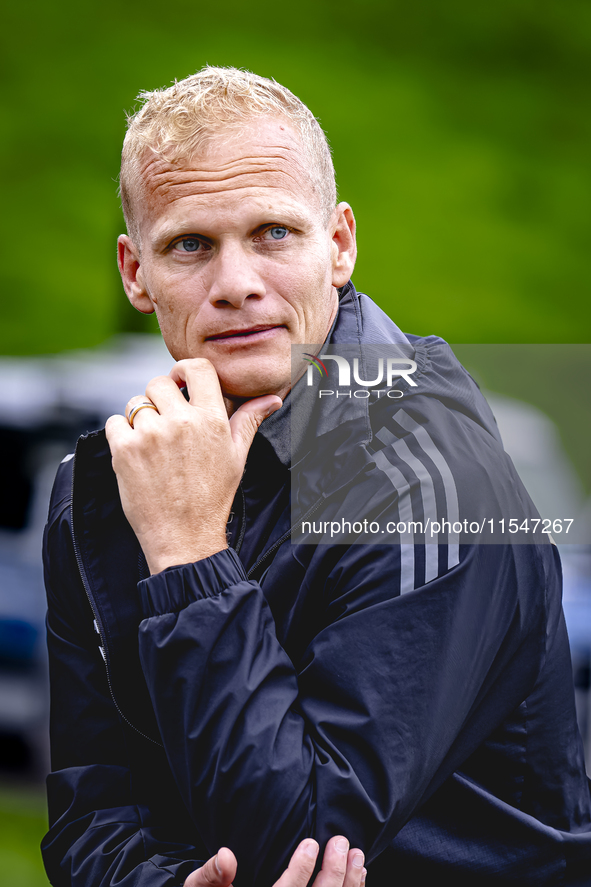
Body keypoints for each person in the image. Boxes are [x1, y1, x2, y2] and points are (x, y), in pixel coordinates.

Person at [41, 66, 591, 887]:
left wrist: (187, 555)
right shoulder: (106, 481)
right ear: (135, 273)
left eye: (272, 233)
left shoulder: (432, 482)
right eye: (190, 244)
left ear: (337, 245)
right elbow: (91, 811)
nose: (236, 285)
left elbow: (303, 846)